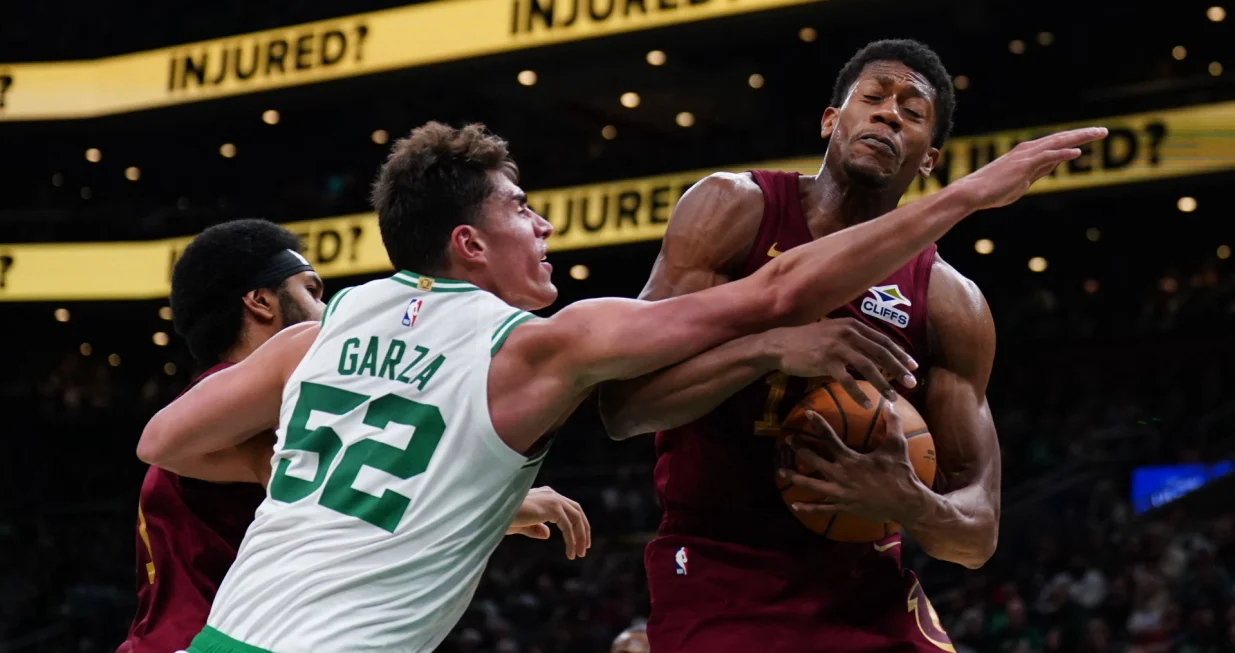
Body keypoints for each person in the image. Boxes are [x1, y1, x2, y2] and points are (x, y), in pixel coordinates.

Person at [136, 119, 1105, 652]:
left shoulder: (322, 328)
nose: (544, 226)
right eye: (522, 211)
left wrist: (391, 474)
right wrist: (965, 195)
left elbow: (165, 442)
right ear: (469, 243)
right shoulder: (539, 346)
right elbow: (774, 287)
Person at [597, 39, 1005, 652]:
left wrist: (911, 502)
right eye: (873, 97)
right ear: (830, 121)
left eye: (912, 113)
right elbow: (623, 409)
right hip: (719, 564)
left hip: (864, 583)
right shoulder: (732, 211)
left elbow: (977, 534)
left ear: (929, 160)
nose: (889, 113)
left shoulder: (950, 303)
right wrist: (769, 349)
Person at [118, 218, 587, 653]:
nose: (326, 308)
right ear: (260, 302)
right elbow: (356, 492)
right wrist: (506, 501)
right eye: (313, 291)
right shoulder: (268, 410)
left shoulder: (210, 404)